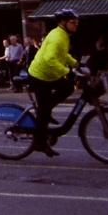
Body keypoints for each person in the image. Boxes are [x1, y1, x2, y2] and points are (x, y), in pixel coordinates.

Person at [27, 8, 80, 158]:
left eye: (77, 22)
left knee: (68, 87)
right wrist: (67, 71)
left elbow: (62, 54)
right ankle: (39, 143)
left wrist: (76, 64)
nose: (76, 25)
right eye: (73, 22)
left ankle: (46, 109)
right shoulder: (57, 37)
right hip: (40, 75)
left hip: (50, 74)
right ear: (63, 22)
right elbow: (50, 59)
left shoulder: (62, 34)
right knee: (44, 112)